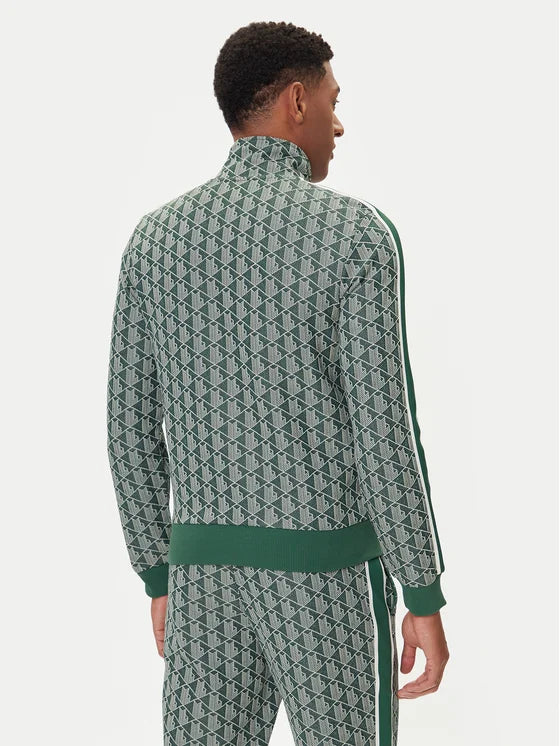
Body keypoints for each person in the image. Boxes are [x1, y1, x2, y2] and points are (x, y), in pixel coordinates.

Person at [106, 20, 450, 746]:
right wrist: (421, 589)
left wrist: (160, 574)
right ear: (297, 101)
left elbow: (129, 428)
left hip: (203, 582)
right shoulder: (355, 236)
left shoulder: (154, 240)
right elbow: (384, 430)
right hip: (327, 578)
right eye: (332, 101)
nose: (339, 123)